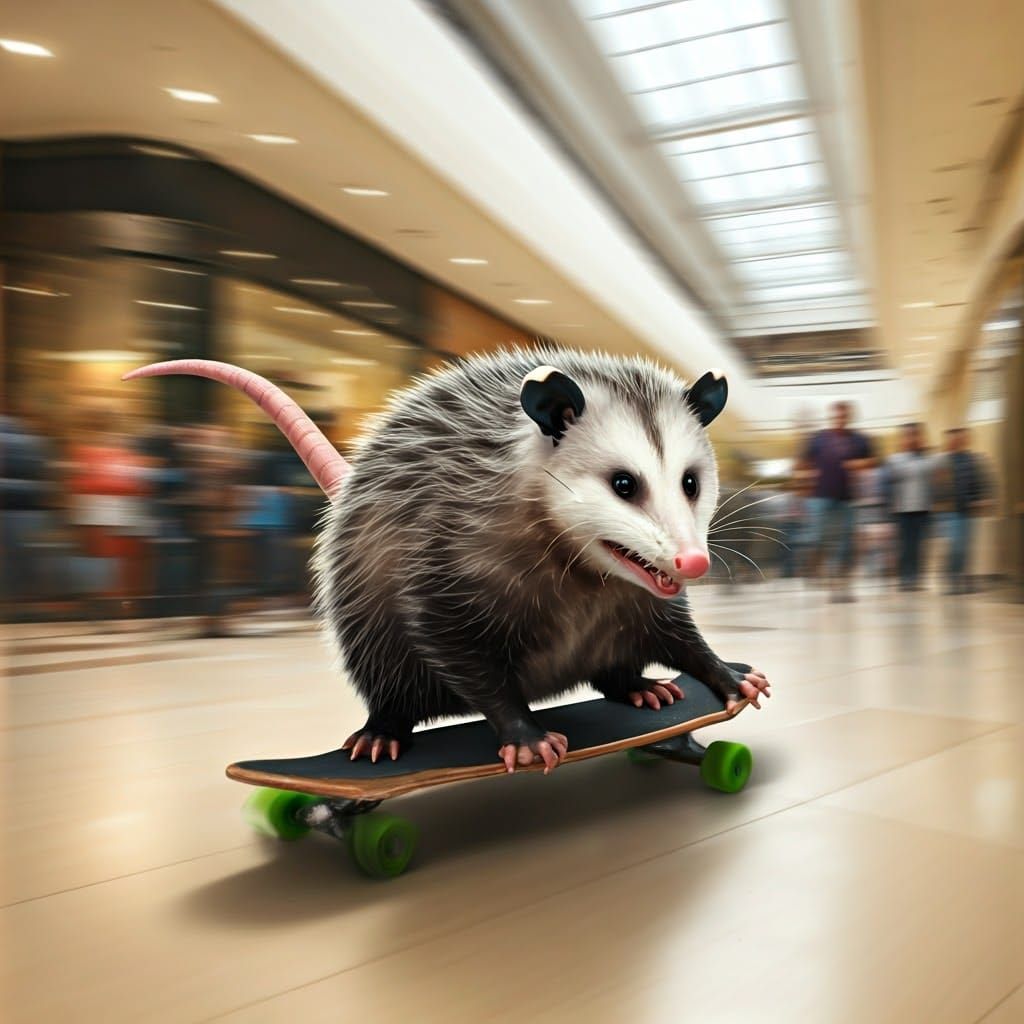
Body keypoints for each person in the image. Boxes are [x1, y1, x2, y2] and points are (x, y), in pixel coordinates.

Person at [802, 401, 875, 600]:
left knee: (846, 543)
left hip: (848, 499)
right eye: (838, 415)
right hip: (820, 498)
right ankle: (818, 570)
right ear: (832, 416)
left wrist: (860, 463)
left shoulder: (859, 440)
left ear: (849, 417)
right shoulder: (818, 439)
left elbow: (873, 460)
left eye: (845, 416)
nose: (841, 419)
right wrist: (806, 485)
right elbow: (804, 463)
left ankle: (840, 583)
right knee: (820, 539)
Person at [935, 427, 994, 595]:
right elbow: (936, 486)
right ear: (949, 440)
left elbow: (985, 481)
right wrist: (939, 505)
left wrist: (985, 499)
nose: (957, 441)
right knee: (955, 547)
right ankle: (951, 580)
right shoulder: (941, 461)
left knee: (967, 547)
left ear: (967, 439)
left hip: (970, 511)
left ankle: (964, 580)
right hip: (950, 511)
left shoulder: (976, 459)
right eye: (954, 438)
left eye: (961, 438)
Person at [885, 423, 940, 591]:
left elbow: (937, 475)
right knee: (905, 547)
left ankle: (916, 579)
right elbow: (889, 484)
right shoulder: (894, 460)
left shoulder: (929, 459)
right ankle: (905, 579)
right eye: (908, 435)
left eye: (915, 435)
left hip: (924, 510)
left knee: (920, 546)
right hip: (902, 511)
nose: (912, 439)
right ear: (902, 438)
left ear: (921, 437)